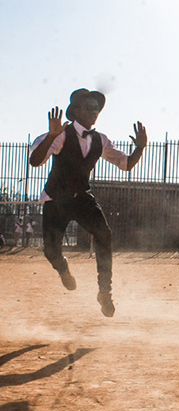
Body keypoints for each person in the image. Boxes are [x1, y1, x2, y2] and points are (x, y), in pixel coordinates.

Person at [30, 88, 148, 317]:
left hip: (82, 197)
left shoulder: (100, 140)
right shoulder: (60, 134)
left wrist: (140, 148)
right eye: (89, 107)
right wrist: (51, 136)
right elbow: (35, 161)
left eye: (97, 108)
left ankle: (105, 291)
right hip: (57, 199)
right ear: (75, 110)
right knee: (51, 251)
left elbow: (126, 164)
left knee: (104, 234)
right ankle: (63, 269)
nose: (94, 112)